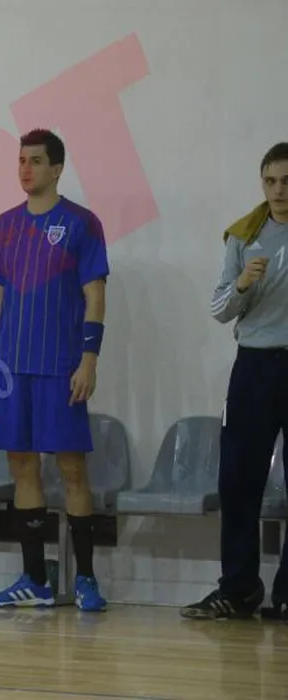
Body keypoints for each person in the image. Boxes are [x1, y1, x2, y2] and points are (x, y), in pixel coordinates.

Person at [0, 128, 109, 612]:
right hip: (11, 368)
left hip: (59, 366)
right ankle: (35, 580)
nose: (25, 168)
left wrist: (89, 358)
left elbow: (95, 295)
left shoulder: (81, 223)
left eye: (35, 160)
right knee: (22, 467)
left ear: (57, 168)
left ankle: (86, 579)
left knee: (72, 469)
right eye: (21, 160)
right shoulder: (5, 225)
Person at [181, 141, 288, 620]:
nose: (279, 190)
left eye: (287, 181)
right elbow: (220, 309)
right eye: (271, 181)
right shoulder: (244, 234)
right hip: (255, 367)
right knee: (239, 479)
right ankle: (239, 588)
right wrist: (243, 283)